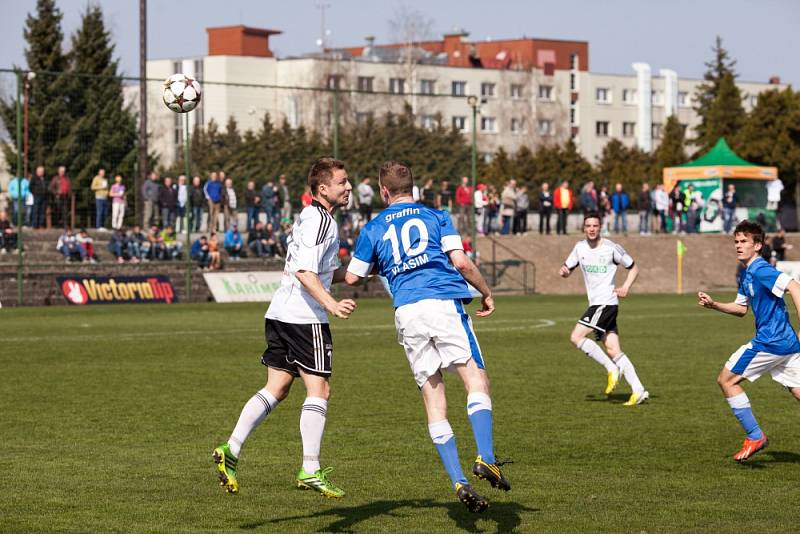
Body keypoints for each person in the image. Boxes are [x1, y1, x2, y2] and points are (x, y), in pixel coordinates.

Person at [344, 161, 509, 513]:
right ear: (413, 188)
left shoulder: (373, 228)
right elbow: (461, 262)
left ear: (383, 191)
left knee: (433, 397)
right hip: (442, 304)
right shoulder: (437, 216)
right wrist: (486, 291)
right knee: (475, 380)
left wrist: (383, 263)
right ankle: (487, 457)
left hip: (407, 312)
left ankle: (459, 480)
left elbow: (352, 278)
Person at [212, 157, 355, 498]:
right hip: (304, 319)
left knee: (277, 387)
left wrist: (359, 271)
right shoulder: (322, 222)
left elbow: (319, 271)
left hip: (279, 313)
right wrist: (331, 304)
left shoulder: (311, 217)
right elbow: (306, 272)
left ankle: (230, 449)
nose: (348, 187)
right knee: (319, 391)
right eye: (342, 182)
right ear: (323, 189)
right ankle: (310, 467)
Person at [698, 220, 800, 461]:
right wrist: (714, 305)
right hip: (787, 344)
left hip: (770, 343)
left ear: (758, 246)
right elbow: (741, 308)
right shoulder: (747, 274)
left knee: (726, 380)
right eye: (736, 241)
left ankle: (755, 435)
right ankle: (755, 435)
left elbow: (795, 287)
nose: (738, 245)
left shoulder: (761, 270)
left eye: (744, 241)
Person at [559, 212, 649, 406]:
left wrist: (625, 287)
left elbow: (634, 268)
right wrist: (564, 272)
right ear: (584, 228)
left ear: (600, 227)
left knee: (576, 337)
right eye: (588, 226)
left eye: (595, 226)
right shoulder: (579, 247)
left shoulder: (611, 248)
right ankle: (639, 389)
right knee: (613, 349)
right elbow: (567, 268)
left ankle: (611, 369)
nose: (591, 229)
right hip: (597, 303)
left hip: (606, 303)